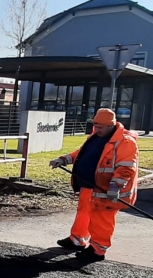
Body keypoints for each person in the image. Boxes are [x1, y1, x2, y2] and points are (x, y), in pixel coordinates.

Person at [48, 108, 139, 262]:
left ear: (111, 126)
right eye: (95, 126)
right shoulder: (96, 137)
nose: (97, 130)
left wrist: (115, 186)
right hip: (89, 186)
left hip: (106, 190)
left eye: (101, 127)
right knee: (84, 213)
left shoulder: (125, 141)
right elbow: (82, 153)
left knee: (102, 219)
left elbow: (126, 167)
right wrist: (64, 159)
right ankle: (77, 239)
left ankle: (98, 249)